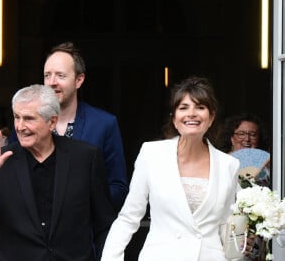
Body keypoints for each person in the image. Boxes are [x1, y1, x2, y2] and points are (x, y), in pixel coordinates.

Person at [101, 76, 241, 261]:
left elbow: (227, 226)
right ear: (174, 119)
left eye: (200, 107)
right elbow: (129, 217)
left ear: (211, 117)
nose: (192, 113)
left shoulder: (229, 165)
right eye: (183, 107)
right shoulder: (151, 154)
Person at [0, 84, 115, 260]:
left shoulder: (86, 159)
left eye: (29, 118)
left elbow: (104, 225)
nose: (20, 126)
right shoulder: (0, 163)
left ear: (52, 122)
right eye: (17, 117)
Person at [9, 42, 128, 212]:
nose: (52, 82)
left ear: (79, 80)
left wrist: (79, 200)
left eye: (60, 76)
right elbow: (13, 180)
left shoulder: (104, 124)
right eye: (47, 75)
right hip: (36, 231)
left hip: (84, 233)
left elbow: (118, 189)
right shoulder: (25, 124)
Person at [217, 113, 271, 260]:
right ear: (231, 137)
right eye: (241, 133)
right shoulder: (220, 165)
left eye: (252, 134)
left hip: (258, 232)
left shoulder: (267, 168)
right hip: (229, 230)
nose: (246, 139)